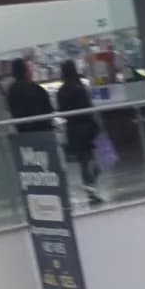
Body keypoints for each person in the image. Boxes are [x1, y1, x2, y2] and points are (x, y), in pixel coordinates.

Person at [57, 59, 102, 206]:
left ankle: (91, 192)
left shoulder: (61, 92)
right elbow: (88, 108)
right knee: (96, 158)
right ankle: (92, 188)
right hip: (87, 127)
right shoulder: (80, 87)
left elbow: (62, 113)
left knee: (84, 163)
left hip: (73, 130)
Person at [6, 57, 54, 133]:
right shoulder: (36, 89)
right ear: (25, 72)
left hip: (24, 132)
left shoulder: (11, 91)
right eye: (29, 69)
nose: (31, 71)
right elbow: (48, 109)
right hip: (43, 129)